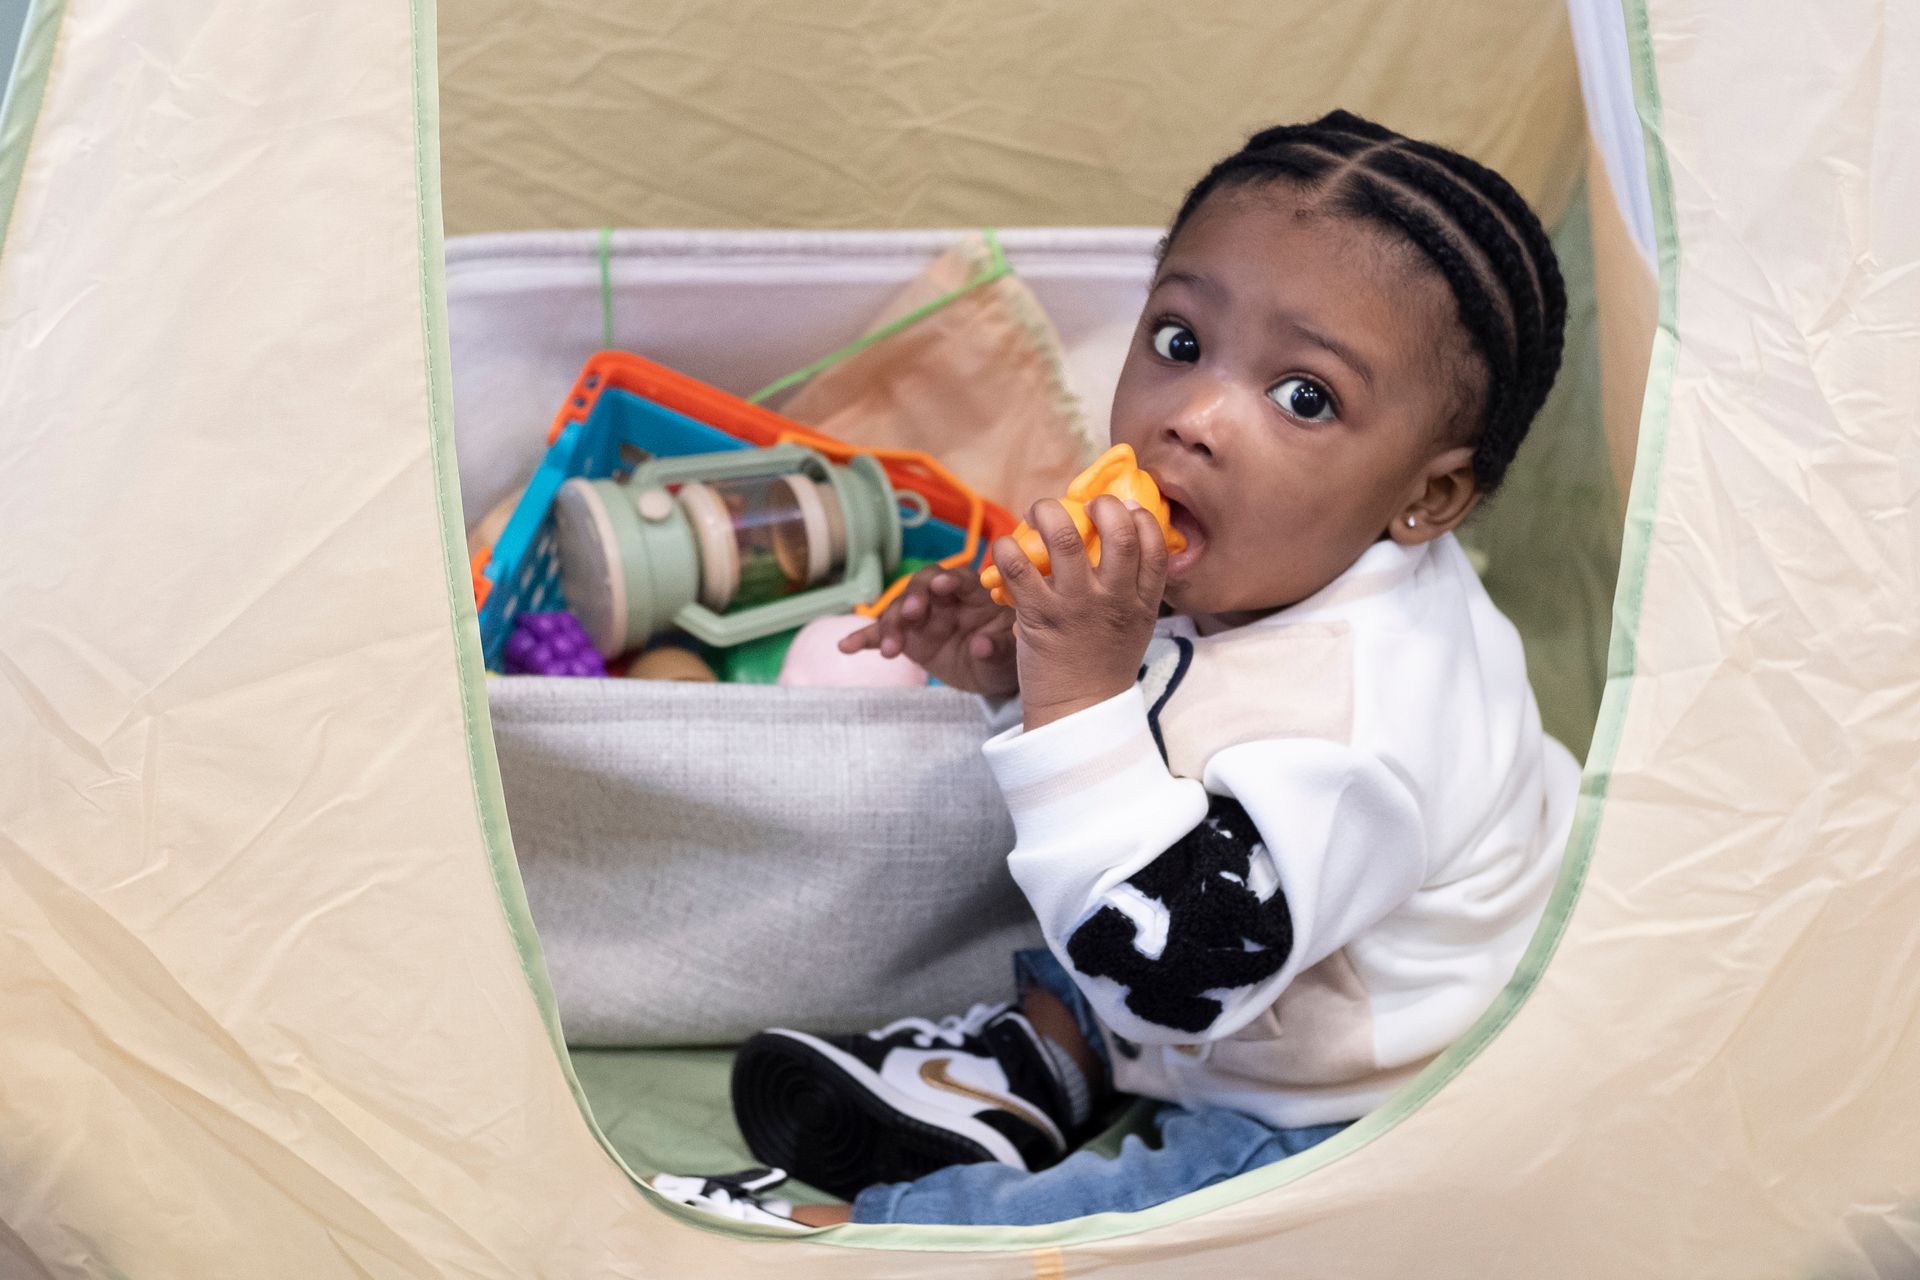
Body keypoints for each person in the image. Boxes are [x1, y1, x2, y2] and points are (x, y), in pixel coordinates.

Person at [653, 108, 1581, 1230]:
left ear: (1427, 498)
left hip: (1364, 1078)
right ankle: (1043, 1058)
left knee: (1158, 1218)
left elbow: (1178, 966)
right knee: (1090, 898)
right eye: (1181, 340)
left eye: (1305, 396)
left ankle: (881, 1232)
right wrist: (1006, 664)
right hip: (1242, 949)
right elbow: (1174, 726)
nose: (1192, 417)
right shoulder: (1278, 546)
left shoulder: (1360, 720)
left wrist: (1073, 685)